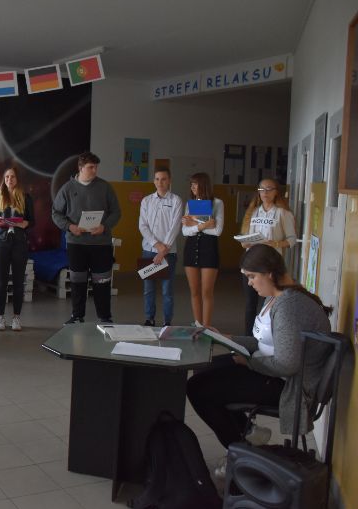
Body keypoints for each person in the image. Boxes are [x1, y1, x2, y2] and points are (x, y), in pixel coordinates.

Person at [186, 244, 331, 479]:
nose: (250, 283)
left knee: (199, 389)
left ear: (269, 274)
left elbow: (287, 365)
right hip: (273, 370)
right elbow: (262, 342)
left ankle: (239, 451)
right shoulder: (275, 297)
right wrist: (225, 337)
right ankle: (250, 433)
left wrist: (249, 363)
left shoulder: (288, 307)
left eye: (252, 276)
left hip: (290, 386)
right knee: (204, 370)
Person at [52, 152, 121, 324]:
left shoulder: (105, 187)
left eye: (96, 167)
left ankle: (105, 317)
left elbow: (116, 212)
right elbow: (56, 213)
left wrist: (104, 226)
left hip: (101, 244)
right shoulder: (67, 189)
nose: (95, 170)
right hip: (76, 244)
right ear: (80, 168)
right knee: (77, 282)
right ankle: (77, 316)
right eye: (91, 167)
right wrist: (70, 227)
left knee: (102, 282)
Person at [239, 178, 296, 334]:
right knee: (250, 304)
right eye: (262, 189)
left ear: (276, 192)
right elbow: (247, 236)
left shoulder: (283, 213)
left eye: (269, 189)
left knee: (270, 302)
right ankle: (249, 337)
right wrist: (245, 242)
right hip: (251, 263)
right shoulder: (253, 212)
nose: (265, 192)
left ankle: (269, 335)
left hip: (270, 265)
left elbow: (292, 240)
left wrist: (275, 243)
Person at [0, 167, 34, 331]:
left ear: (17, 179)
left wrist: (24, 223)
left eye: (12, 177)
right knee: (1, 282)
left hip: (19, 243)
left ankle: (16, 318)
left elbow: (32, 221)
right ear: (4, 179)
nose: (9, 179)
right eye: (7, 177)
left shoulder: (26, 198)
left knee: (18, 282)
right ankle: (0, 318)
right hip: (1, 241)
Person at [138, 168, 183, 327]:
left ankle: (167, 322)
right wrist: (157, 245)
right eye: (157, 179)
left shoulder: (176, 200)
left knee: (167, 290)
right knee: (148, 289)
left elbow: (175, 227)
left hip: (169, 253)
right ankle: (149, 318)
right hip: (148, 250)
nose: (160, 182)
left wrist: (163, 250)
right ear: (154, 181)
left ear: (169, 180)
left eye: (163, 179)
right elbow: (143, 226)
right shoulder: (146, 201)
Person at [181, 172, 223, 327]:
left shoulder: (217, 203)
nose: (192, 187)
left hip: (209, 248)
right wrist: (204, 225)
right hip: (191, 247)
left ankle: (206, 327)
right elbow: (185, 231)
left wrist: (193, 224)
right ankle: (198, 325)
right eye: (191, 184)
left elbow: (217, 231)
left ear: (203, 184)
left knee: (206, 291)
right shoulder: (190, 204)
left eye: (195, 184)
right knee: (194, 291)